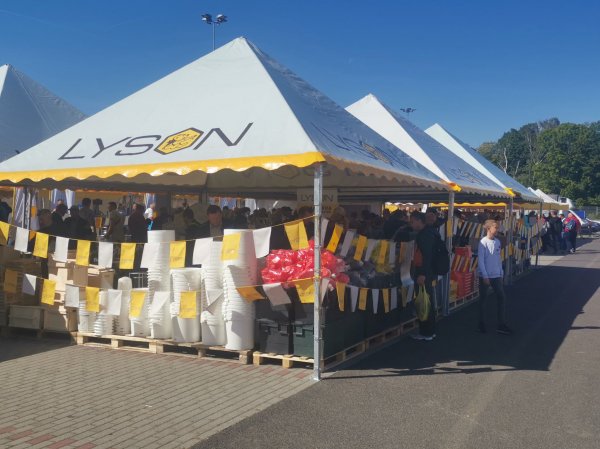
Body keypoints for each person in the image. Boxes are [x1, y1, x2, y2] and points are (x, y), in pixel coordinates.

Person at [478, 219, 512, 335]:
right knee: (483, 300)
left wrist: (501, 272)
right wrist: (485, 276)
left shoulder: (497, 242)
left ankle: (501, 324)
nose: (497, 230)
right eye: (495, 227)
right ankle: (481, 323)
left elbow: (498, 258)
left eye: (497, 227)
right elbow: (481, 260)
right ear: (489, 228)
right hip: (485, 276)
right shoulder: (483, 242)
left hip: (496, 275)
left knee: (501, 297)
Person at [408, 212, 437, 341]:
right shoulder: (431, 232)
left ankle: (426, 332)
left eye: (412, 221)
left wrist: (422, 274)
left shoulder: (424, 235)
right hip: (428, 272)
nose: (411, 224)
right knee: (427, 301)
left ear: (419, 221)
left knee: (423, 302)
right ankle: (430, 331)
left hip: (423, 273)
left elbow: (427, 256)